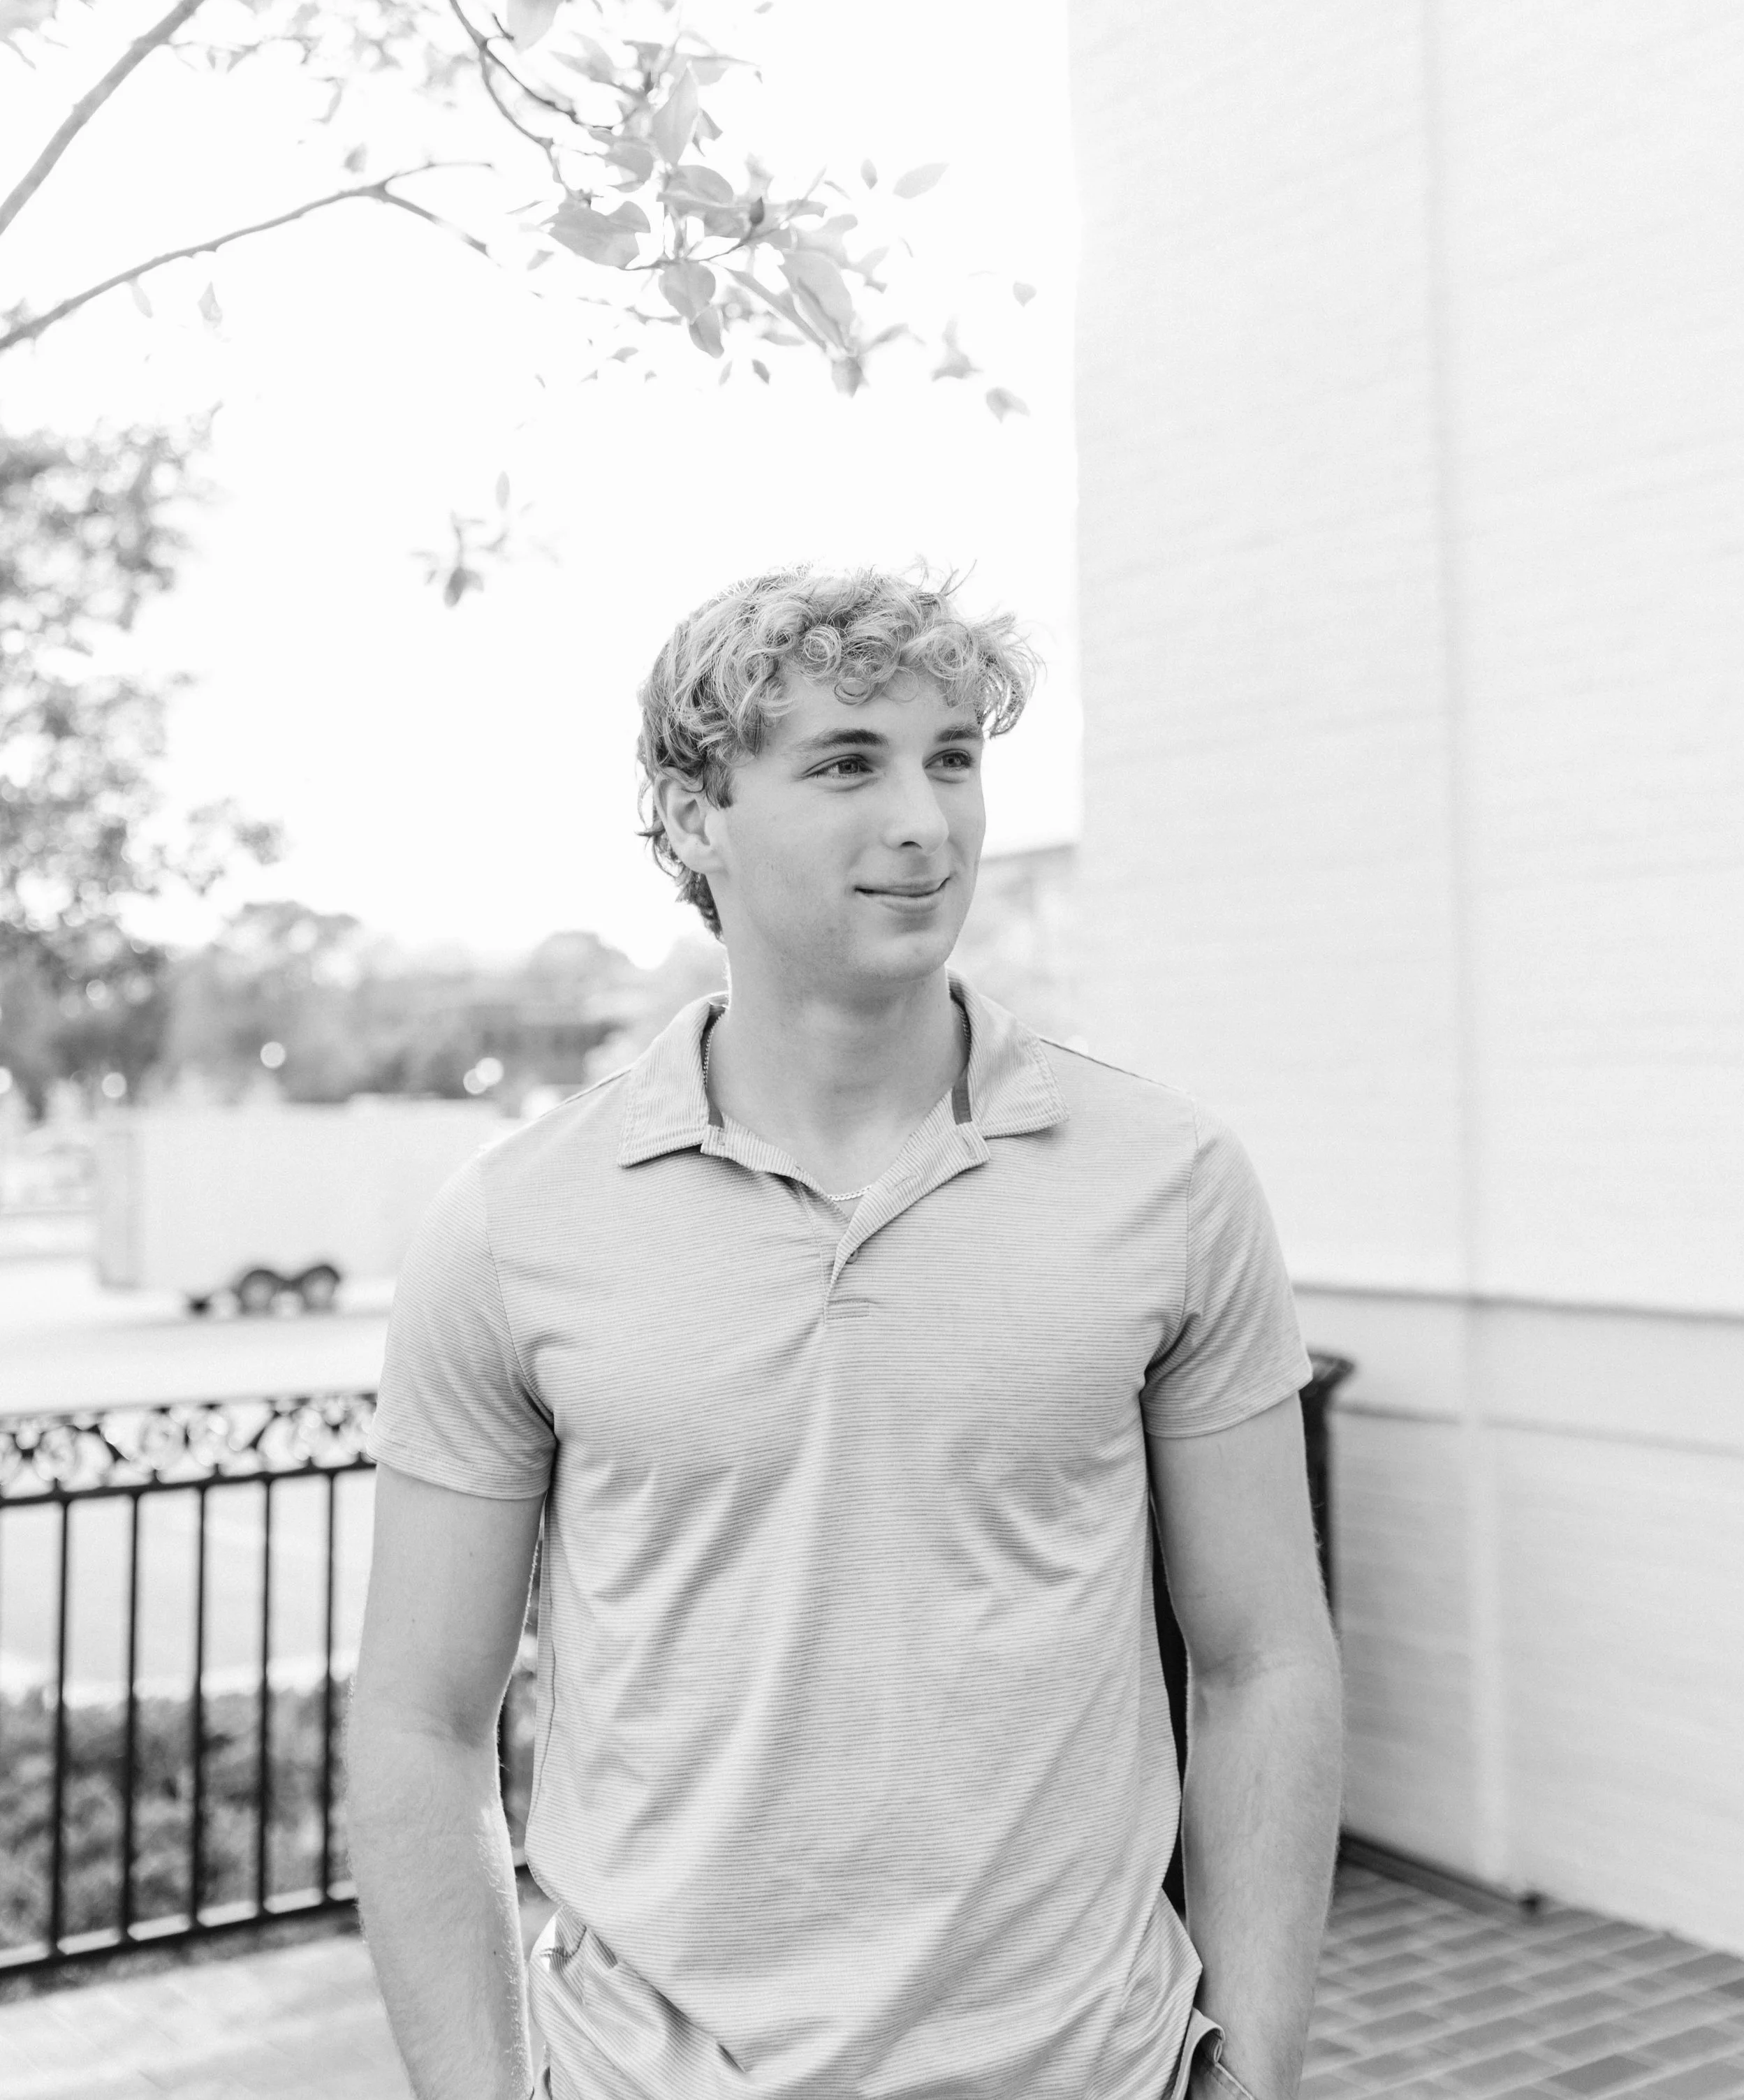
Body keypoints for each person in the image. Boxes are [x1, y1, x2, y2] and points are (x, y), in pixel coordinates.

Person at [349, 564, 1344, 2100]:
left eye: (952, 756)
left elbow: (1261, 1657)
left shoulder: (1170, 1181)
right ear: (693, 817)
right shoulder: (515, 1223)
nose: (925, 823)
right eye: (846, 763)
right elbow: (422, 1723)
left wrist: (1256, 2068)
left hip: (1090, 2070)